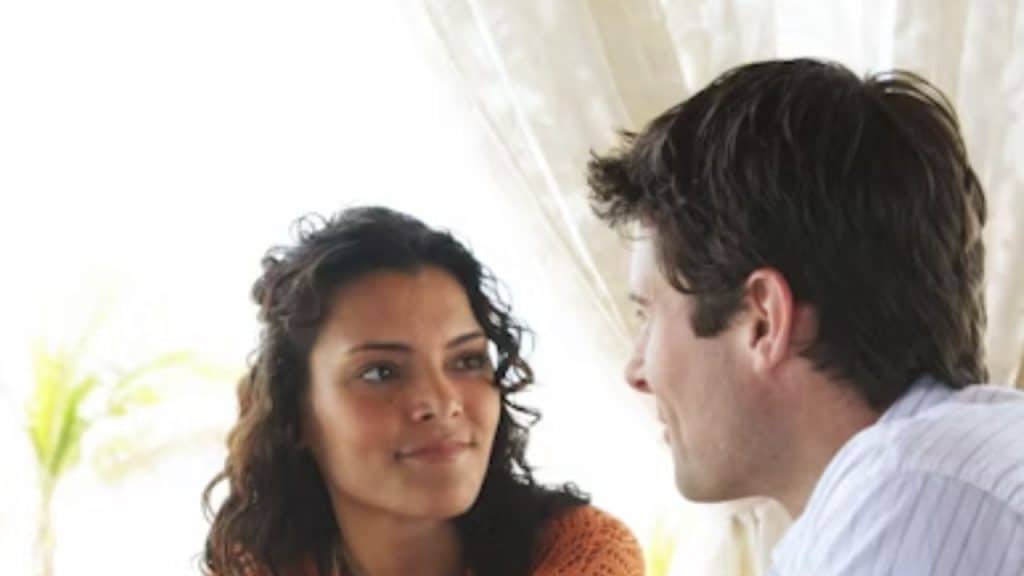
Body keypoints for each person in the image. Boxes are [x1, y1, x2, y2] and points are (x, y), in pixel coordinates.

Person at [587, 58, 1024, 574]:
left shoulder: (911, 495)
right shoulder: (936, 469)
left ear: (763, 321)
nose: (635, 373)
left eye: (648, 315)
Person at [202, 207, 643, 576]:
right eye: (380, 372)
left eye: (467, 360)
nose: (442, 402)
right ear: (295, 412)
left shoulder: (584, 554)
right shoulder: (257, 567)